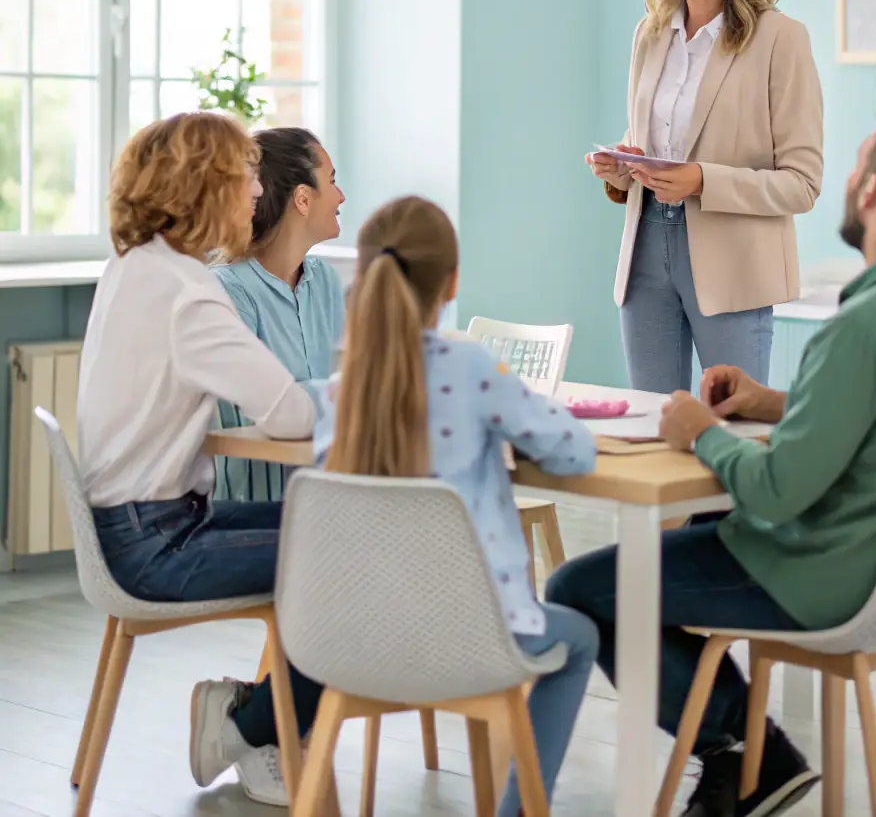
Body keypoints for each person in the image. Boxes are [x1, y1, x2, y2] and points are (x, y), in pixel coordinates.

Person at [554, 100, 876, 817]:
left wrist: (701, 430)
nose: (849, 180)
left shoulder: (865, 325)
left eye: (856, 167)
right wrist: (767, 403)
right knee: (668, 559)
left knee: (582, 586)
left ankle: (745, 750)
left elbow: (778, 489)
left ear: (873, 192)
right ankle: (750, 753)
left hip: (809, 569)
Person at [193, 195, 600, 817]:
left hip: (345, 640)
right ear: (452, 282)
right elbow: (572, 451)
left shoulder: (338, 389)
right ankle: (517, 808)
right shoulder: (471, 368)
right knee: (580, 638)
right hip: (472, 638)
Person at [77, 113, 318, 806]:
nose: (254, 190)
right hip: (158, 542)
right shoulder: (189, 291)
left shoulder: (133, 266)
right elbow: (292, 412)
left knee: (326, 526)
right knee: (347, 550)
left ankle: (255, 723)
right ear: (206, 185)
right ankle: (248, 725)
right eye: (245, 174)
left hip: (132, 527)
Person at [587, 0, 823, 394]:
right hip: (645, 249)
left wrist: (701, 181)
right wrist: (622, 168)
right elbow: (652, 141)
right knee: (653, 428)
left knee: (733, 427)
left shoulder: (780, 39)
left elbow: (801, 184)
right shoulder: (649, 34)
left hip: (733, 265)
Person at [213, 127, 346, 501]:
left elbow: (347, 381)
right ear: (302, 199)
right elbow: (251, 412)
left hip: (326, 494)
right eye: (332, 181)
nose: (341, 196)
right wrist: (344, 396)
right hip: (255, 508)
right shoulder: (228, 290)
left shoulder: (325, 281)